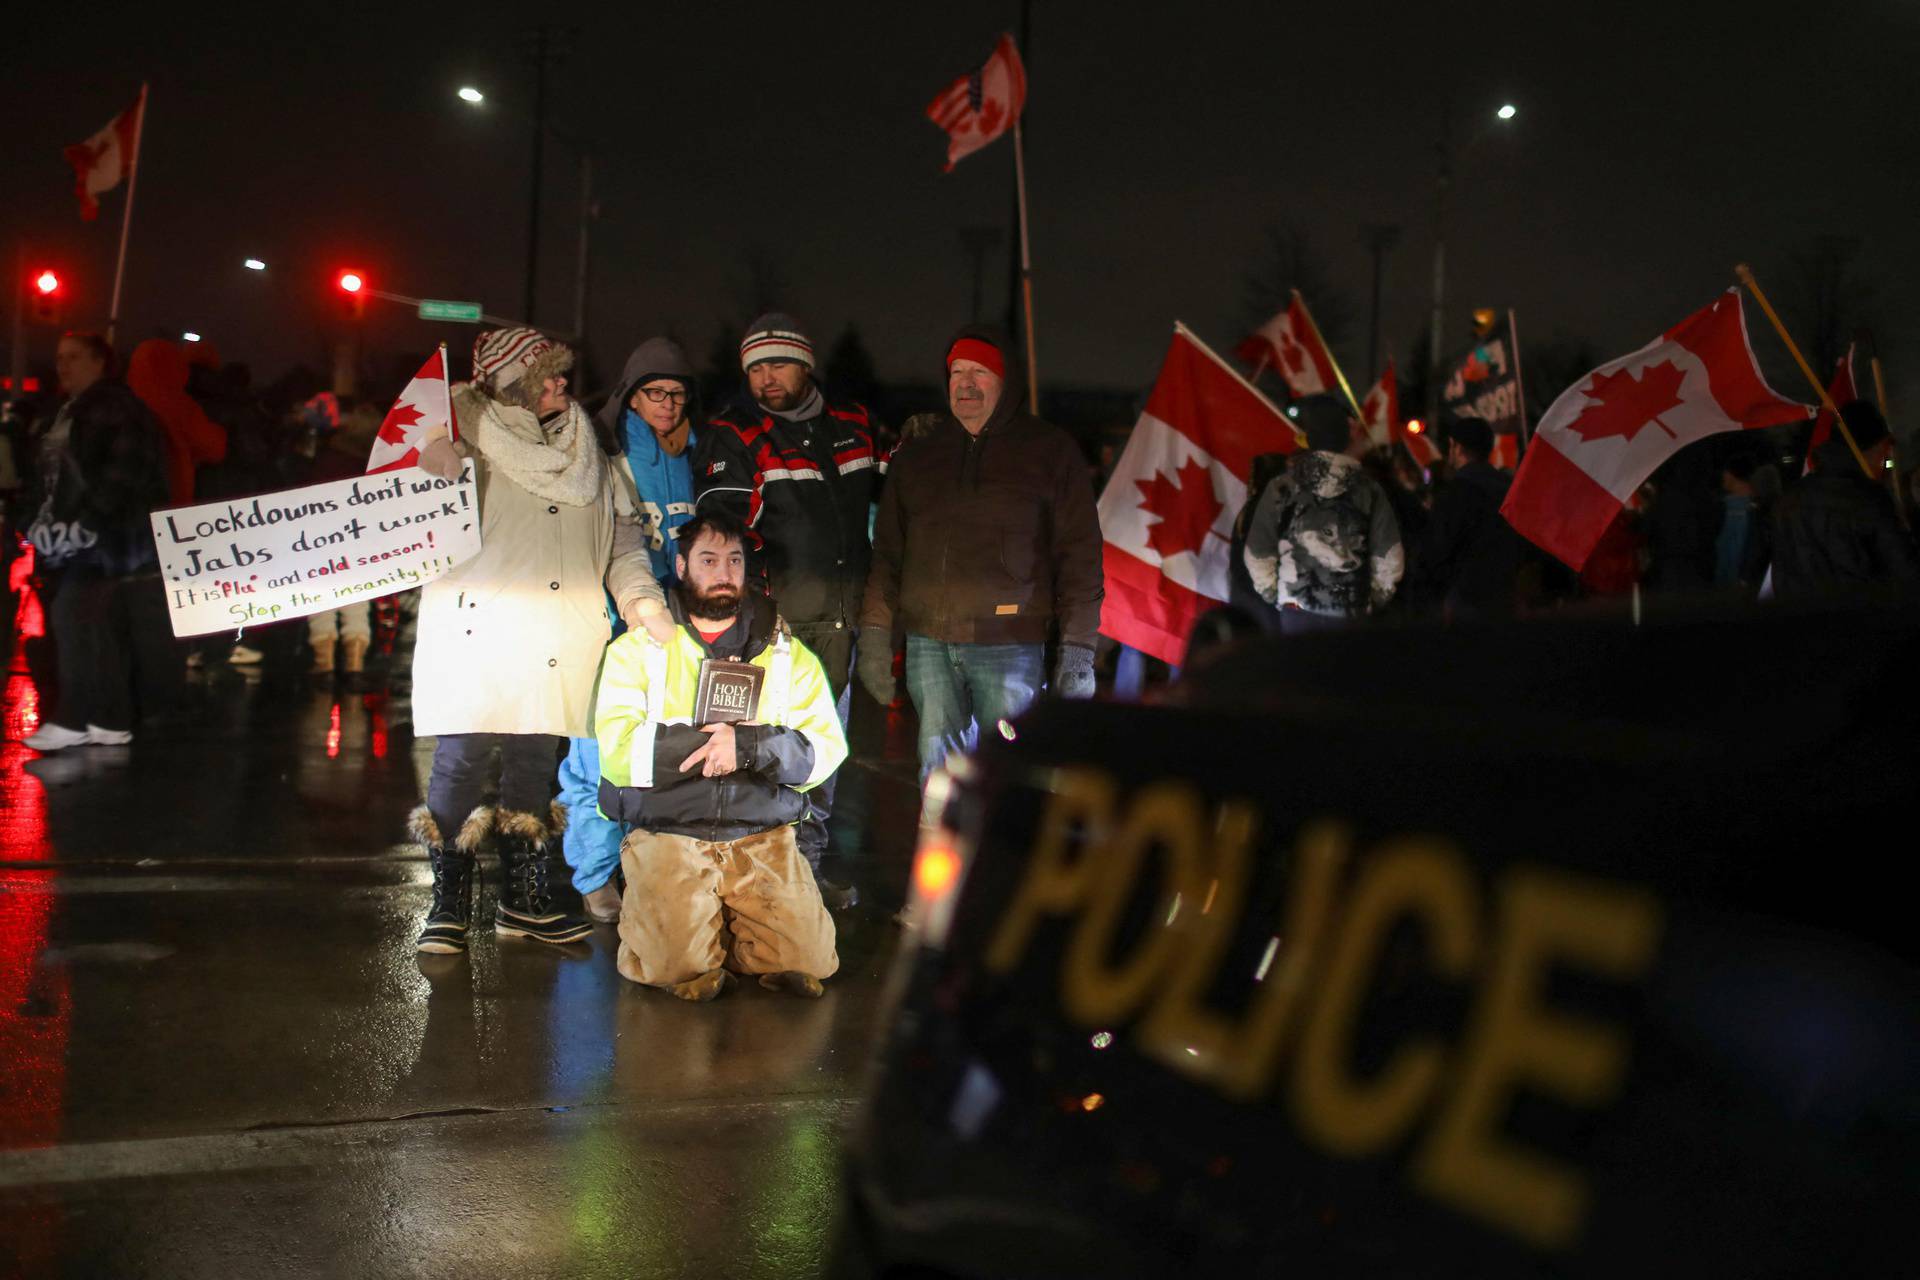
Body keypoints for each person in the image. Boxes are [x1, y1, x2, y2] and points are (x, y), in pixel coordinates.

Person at [405, 328, 671, 956]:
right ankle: (448, 906)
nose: (560, 385)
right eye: (543, 375)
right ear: (506, 386)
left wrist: (642, 604)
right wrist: (430, 465)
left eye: (559, 374)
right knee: (462, 760)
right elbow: (403, 522)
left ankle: (521, 904)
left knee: (533, 763)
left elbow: (623, 544)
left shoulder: (593, 454)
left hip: (558, 635)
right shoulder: (461, 448)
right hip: (477, 631)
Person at [594, 511, 845, 1001]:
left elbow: (826, 750)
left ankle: (723, 925)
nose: (724, 571)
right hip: (671, 829)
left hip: (761, 833)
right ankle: (684, 919)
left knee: (813, 961)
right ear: (682, 567)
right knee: (674, 966)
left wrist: (750, 747)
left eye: (734, 560)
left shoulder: (788, 654)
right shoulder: (636, 649)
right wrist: (711, 745)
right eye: (708, 559)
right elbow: (617, 752)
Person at [694, 314, 885, 907]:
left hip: (842, 622)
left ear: (806, 367)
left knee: (823, 753)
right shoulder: (737, 433)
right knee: (761, 751)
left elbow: (902, 487)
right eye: (753, 368)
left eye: (776, 364)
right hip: (775, 629)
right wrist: (757, 608)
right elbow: (724, 528)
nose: (764, 379)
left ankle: (807, 872)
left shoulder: (854, 425)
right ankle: (750, 876)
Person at [857, 327, 1104, 778]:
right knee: (938, 776)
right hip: (928, 645)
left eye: (980, 372)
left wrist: (1078, 650)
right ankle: (943, 850)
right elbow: (888, 553)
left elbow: (1081, 558)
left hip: (1010, 648)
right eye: (957, 372)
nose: (966, 384)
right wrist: (875, 632)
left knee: (1013, 775)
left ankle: (1007, 850)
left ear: (1005, 381)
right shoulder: (919, 454)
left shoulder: (1050, 452)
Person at [554, 337, 703, 926]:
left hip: (675, 624)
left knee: (663, 750)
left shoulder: (695, 451)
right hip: (609, 621)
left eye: (677, 392)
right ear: (630, 395)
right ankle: (593, 873)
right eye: (653, 392)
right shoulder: (603, 449)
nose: (667, 403)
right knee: (596, 751)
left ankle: (644, 860)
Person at [20, 332, 173, 751]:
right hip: (73, 538)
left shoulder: (116, 411)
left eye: (73, 357)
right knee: (92, 625)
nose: (62, 366)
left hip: (105, 540)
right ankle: (109, 718)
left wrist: (86, 522)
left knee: (74, 616)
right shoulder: (68, 412)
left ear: (99, 362)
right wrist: (39, 523)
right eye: (59, 358)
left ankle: (74, 716)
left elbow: (124, 473)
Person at [1241, 393, 1403, 630]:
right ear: (1346, 439)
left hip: (1296, 611)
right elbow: (1390, 555)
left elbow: (1257, 551)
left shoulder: (1281, 487)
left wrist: (1275, 593)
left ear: (1310, 440)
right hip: (1351, 612)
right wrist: (1373, 599)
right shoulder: (1370, 491)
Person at [1772, 400, 1919, 599]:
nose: (1885, 461)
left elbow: (1782, 575)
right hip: (1859, 621)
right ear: (1874, 448)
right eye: (1885, 453)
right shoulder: (1868, 498)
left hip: (1801, 621)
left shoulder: (1791, 497)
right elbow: (1904, 573)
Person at [1411, 415, 1524, 620]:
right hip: (1506, 595)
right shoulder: (1510, 489)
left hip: (1466, 599)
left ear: (1456, 446)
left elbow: (1437, 548)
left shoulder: (1455, 493)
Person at [304, 402, 378, 675]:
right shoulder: (371, 461)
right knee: (358, 598)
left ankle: (324, 665)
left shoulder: (328, 457)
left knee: (322, 596)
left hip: (322, 536)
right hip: (360, 537)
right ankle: (355, 663)